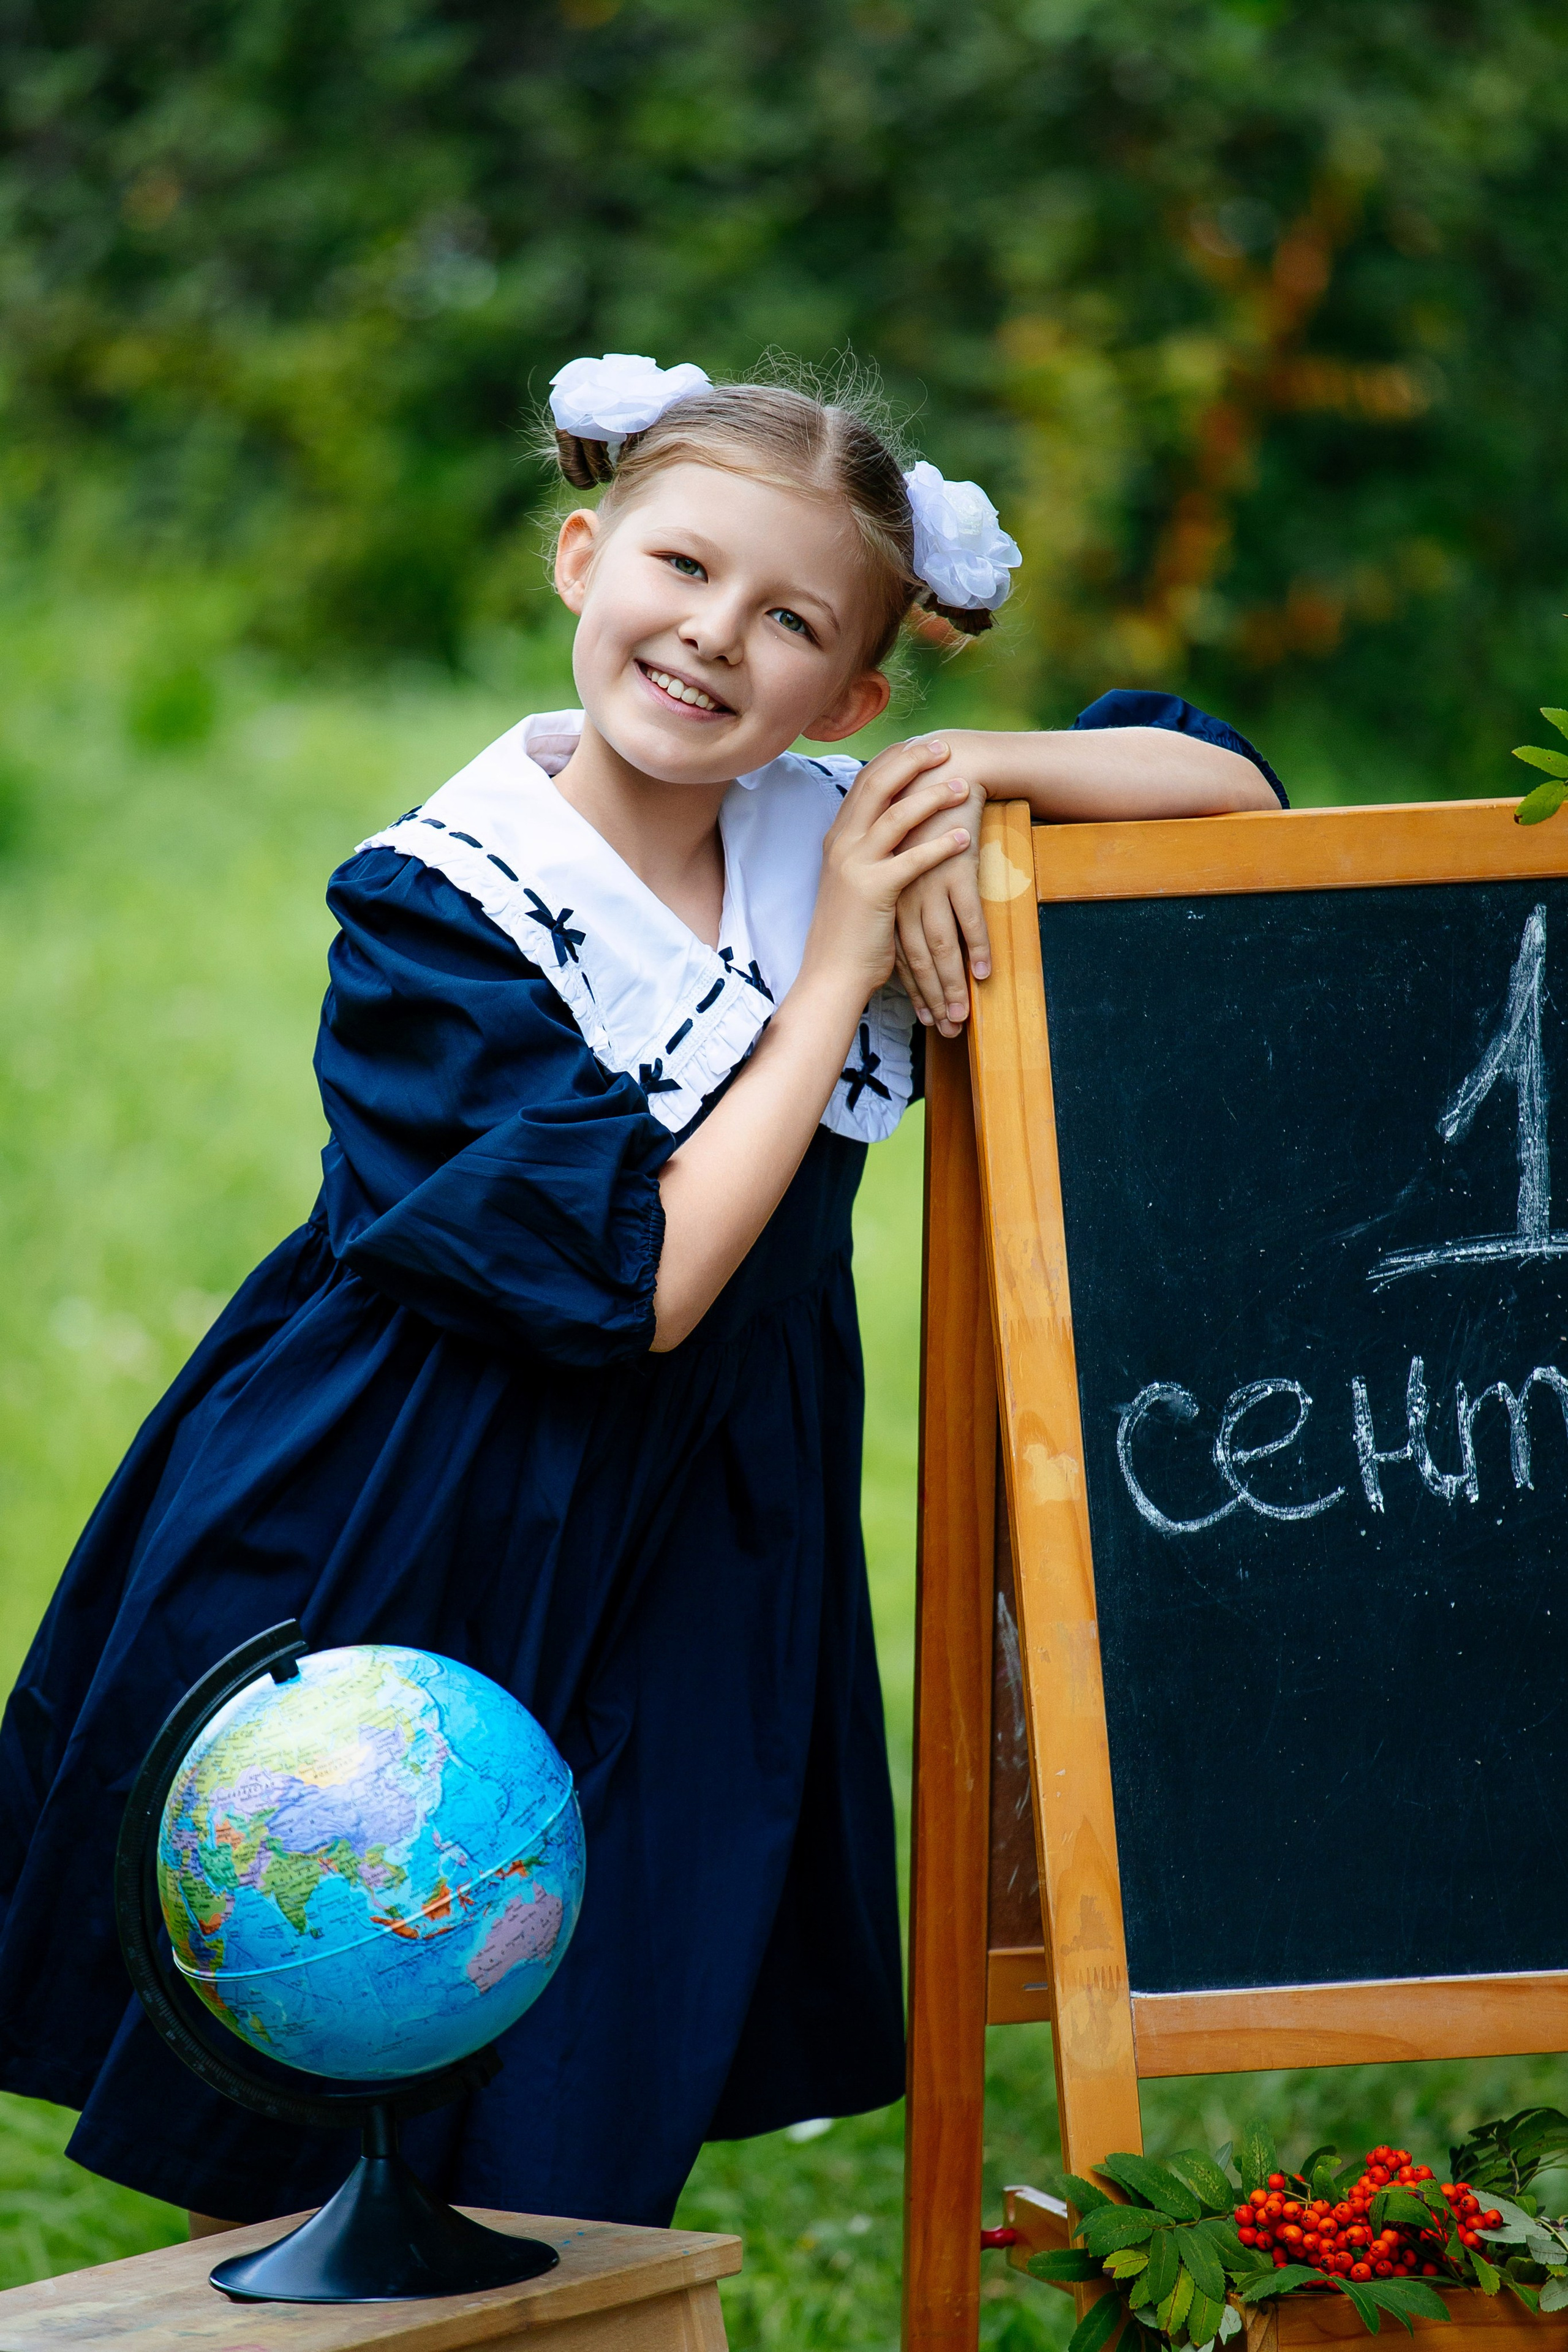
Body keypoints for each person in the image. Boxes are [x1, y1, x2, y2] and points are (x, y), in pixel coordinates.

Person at [0, 355, 1284, 2235]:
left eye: (789, 624)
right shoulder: (444, 905)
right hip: (398, 1501)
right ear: (581, 557)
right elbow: (644, 1285)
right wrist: (847, 955)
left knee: (603, 2036)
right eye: (679, 570)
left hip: (701, 1540)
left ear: (848, 691)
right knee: (346, 2000)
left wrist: (966, 776)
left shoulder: (825, 823)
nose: (712, 640)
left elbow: (1226, 794)